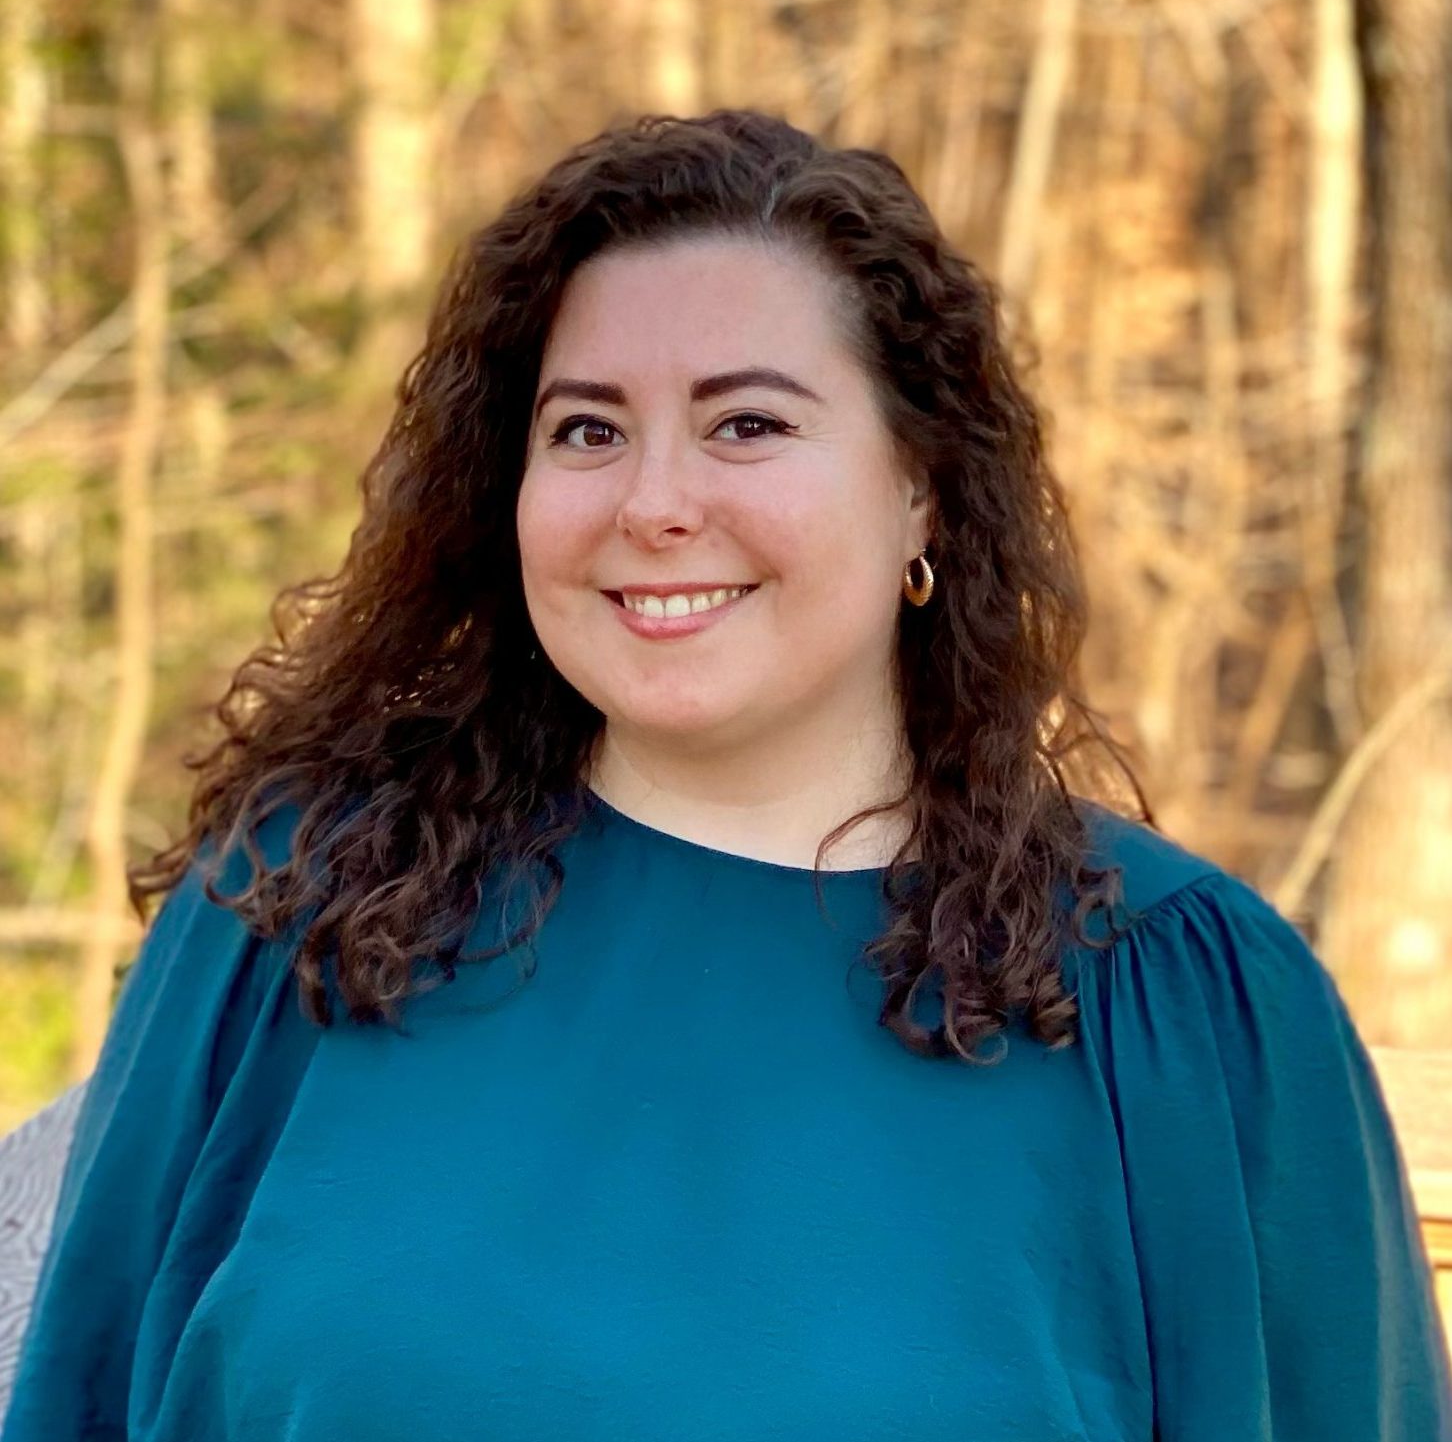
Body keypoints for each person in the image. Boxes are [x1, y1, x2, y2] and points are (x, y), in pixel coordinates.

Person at [4, 108, 1449, 1442]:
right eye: (588, 430)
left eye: (745, 422)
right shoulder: (297, 917)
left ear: (920, 487)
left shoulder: (1179, 1007)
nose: (653, 503)